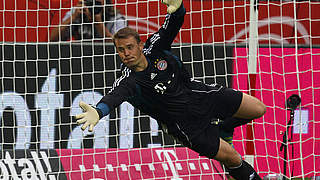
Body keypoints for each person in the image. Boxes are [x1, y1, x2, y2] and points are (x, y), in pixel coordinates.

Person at [74, 0, 266, 179]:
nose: (126, 54)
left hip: (199, 95)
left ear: (140, 45)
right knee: (232, 157)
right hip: (184, 125)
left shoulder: (154, 47)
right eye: (121, 49)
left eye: (130, 47)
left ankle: (224, 127)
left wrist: (178, 7)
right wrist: (99, 111)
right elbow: (113, 97)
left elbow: (172, 24)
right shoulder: (128, 81)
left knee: (258, 109)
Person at [50, 0, 126, 41]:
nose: (93, 5)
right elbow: (53, 39)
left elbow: (119, 45)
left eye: (97, 2)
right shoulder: (77, 13)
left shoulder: (116, 19)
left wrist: (98, 23)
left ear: (106, 2)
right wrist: (73, 17)